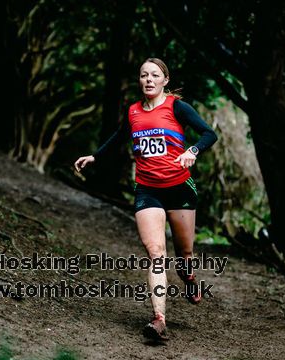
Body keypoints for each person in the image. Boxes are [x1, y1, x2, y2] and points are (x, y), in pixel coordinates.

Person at [74, 58, 217, 341]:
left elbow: (209, 134)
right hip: (147, 189)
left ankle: (188, 277)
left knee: (184, 256)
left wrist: (193, 151)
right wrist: (95, 156)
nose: (149, 79)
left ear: (165, 80)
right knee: (155, 253)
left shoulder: (177, 107)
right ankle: (159, 319)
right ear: (139, 81)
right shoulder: (133, 112)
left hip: (179, 187)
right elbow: (119, 136)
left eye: (155, 75)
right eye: (143, 75)